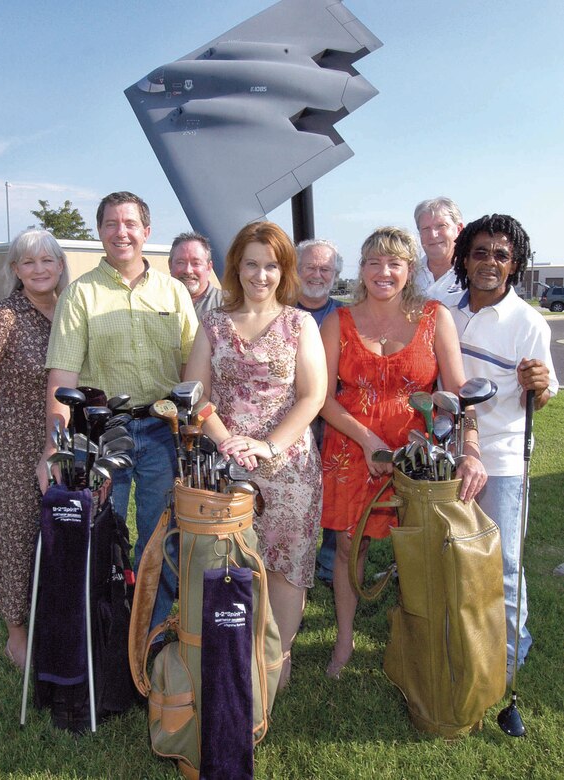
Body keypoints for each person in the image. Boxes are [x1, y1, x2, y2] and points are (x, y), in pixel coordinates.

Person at [320, 226, 486, 679]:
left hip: (417, 456)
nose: (383, 272)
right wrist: (367, 440)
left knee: (418, 550)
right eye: (373, 262)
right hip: (352, 450)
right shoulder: (339, 321)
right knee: (348, 549)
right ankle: (344, 640)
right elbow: (322, 397)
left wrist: (470, 448)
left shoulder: (435, 317)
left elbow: (458, 394)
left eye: (393, 262)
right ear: (362, 269)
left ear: (408, 269)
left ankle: (417, 638)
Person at [38, 191, 198, 629]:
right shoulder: (79, 295)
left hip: (162, 435)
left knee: (160, 540)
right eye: (111, 223)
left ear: (147, 232)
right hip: (100, 434)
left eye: (130, 224)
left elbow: (192, 371)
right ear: (100, 232)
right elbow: (62, 381)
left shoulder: (174, 293)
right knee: (101, 537)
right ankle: (104, 634)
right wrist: (53, 448)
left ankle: (152, 635)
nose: (121, 232)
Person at [184, 221, 327, 689]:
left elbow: (312, 396)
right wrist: (227, 442)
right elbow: (195, 395)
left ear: (283, 270)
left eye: (271, 265)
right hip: (225, 468)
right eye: (251, 263)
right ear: (236, 267)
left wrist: (267, 446)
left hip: (288, 468)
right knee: (231, 563)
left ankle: (276, 662)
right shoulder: (214, 325)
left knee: (286, 566)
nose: (260, 275)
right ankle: (234, 651)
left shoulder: (299, 324)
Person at [449, 214, 558, 682]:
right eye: (480, 252)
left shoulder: (528, 321)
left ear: (515, 265)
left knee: (504, 560)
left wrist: (540, 386)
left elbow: (544, 392)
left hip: (506, 456)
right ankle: (461, 637)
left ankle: (511, 653)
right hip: (450, 454)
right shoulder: (444, 310)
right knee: (454, 554)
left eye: (501, 255)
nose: (489, 262)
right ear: (464, 259)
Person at [0, 230, 69, 670]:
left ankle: (57, 619)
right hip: (16, 445)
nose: (39, 269)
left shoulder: (70, 312)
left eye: (47, 260)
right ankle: (16, 634)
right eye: (28, 262)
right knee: (16, 536)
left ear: (60, 265)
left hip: (65, 441)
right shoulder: (1, 316)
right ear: (15, 270)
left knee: (62, 532)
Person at [295, 238, 345, 587]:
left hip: (334, 419)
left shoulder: (345, 317)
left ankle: (328, 565)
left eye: (325, 268)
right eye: (310, 267)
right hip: (290, 420)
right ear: (296, 271)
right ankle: (293, 560)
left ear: (336, 274)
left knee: (334, 491)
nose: (317, 274)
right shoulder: (279, 312)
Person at [414, 197, 464, 302]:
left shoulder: (473, 274)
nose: (433, 235)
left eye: (441, 226)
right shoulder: (408, 275)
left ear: (459, 229)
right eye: (426, 229)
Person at [168, 231, 223, 316]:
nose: (188, 270)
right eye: (181, 262)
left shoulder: (229, 306)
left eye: (196, 263)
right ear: (170, 265)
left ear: (208, 267)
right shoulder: (156, 302)